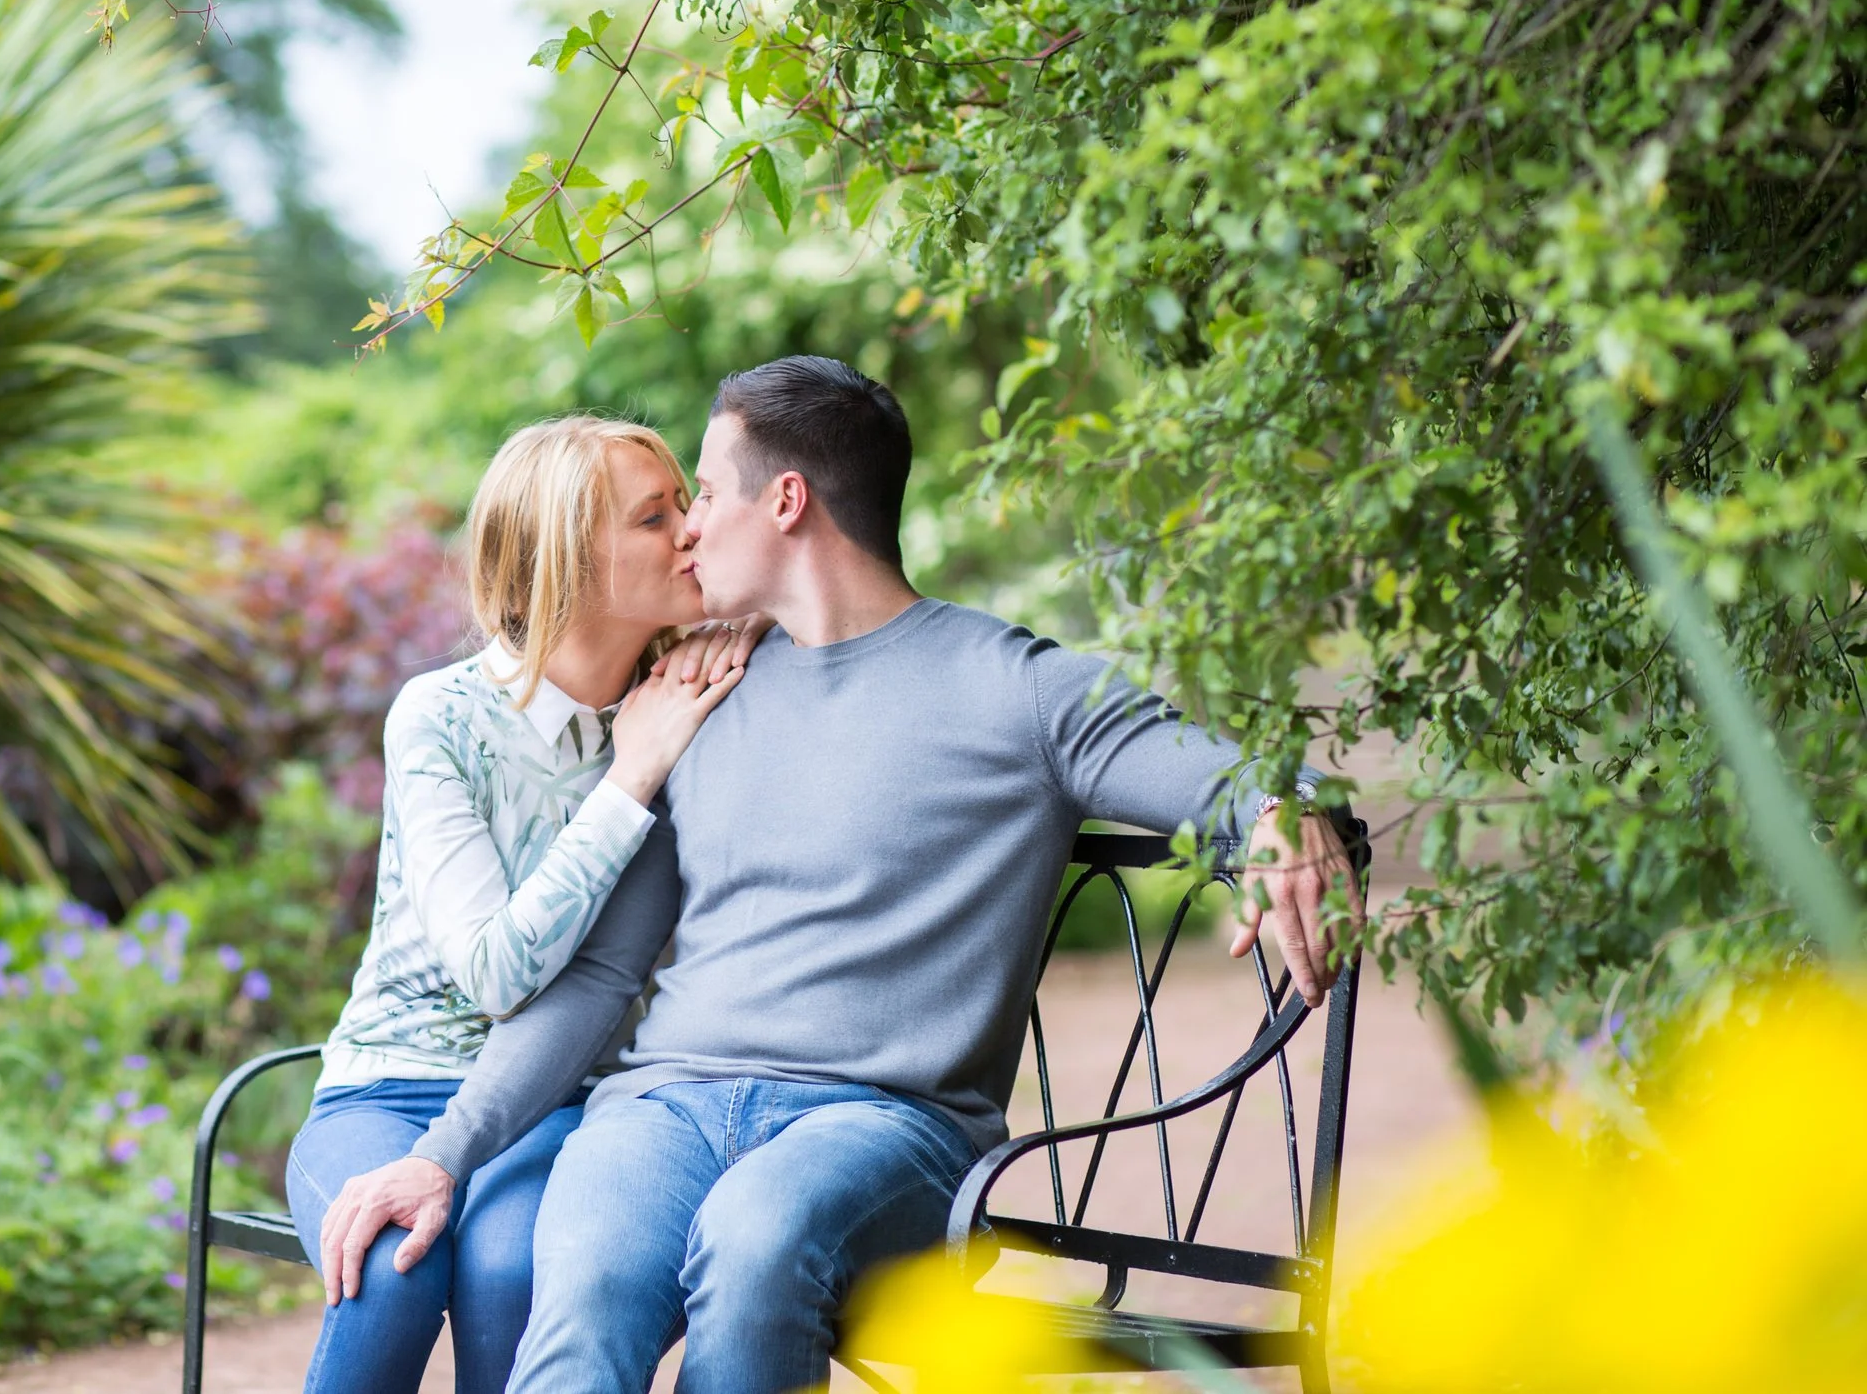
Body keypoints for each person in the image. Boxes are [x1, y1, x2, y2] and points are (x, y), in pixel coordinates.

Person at [314, 356, 1364, 1394]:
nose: (688, 527)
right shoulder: (699, 692)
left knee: (756, 1233)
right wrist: (443, 1153)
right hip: (662, 1106)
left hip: (882, 1124)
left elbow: (1229, 774)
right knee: (580, 1274)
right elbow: (597, 976)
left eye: (705, 493)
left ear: (785, 499)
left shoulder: (1017, 688)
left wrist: (1285, 810)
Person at [285, 414, 763, 1394]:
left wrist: (757, 620)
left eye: (685, 502)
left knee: (518, 1273)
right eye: (652, 515)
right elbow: (495, 970)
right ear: (566, 559)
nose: (690, 530)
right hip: (387, 1082)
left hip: (552, 1098)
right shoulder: (442, 716)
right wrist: (627, 780)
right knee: (390, 1268)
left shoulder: (683, 713)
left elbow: (597, 980)